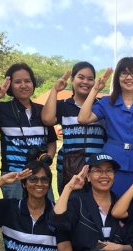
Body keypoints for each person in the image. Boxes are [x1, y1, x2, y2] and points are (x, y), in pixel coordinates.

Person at [0, 63, 57, 200]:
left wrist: (46, 159)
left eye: (27, 81)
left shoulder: (43, 110)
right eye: (17, 82)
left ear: (33, 83)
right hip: (14, 176)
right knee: (16, 212)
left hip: (41, 176)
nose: (23, 85)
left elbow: (51, 141)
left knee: (46, 212)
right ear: (10, 86)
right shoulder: (2, 109)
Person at [78, 57, 133, 197]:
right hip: (112, 164)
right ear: (117, 78)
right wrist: (95, 89)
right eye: (124, 73)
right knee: (112, 203)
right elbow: (83, 118)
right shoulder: (107, 102)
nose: (129, 77)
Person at [41, 61, 106, 194]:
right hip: (69, 169)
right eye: (81, 77)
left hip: (98, 170)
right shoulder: (64, 105)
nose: (85, 82)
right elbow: (47, 119)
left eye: (90, 79)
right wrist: (55, 90)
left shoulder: (102, 105)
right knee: (68, 205)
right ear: (72, 80)